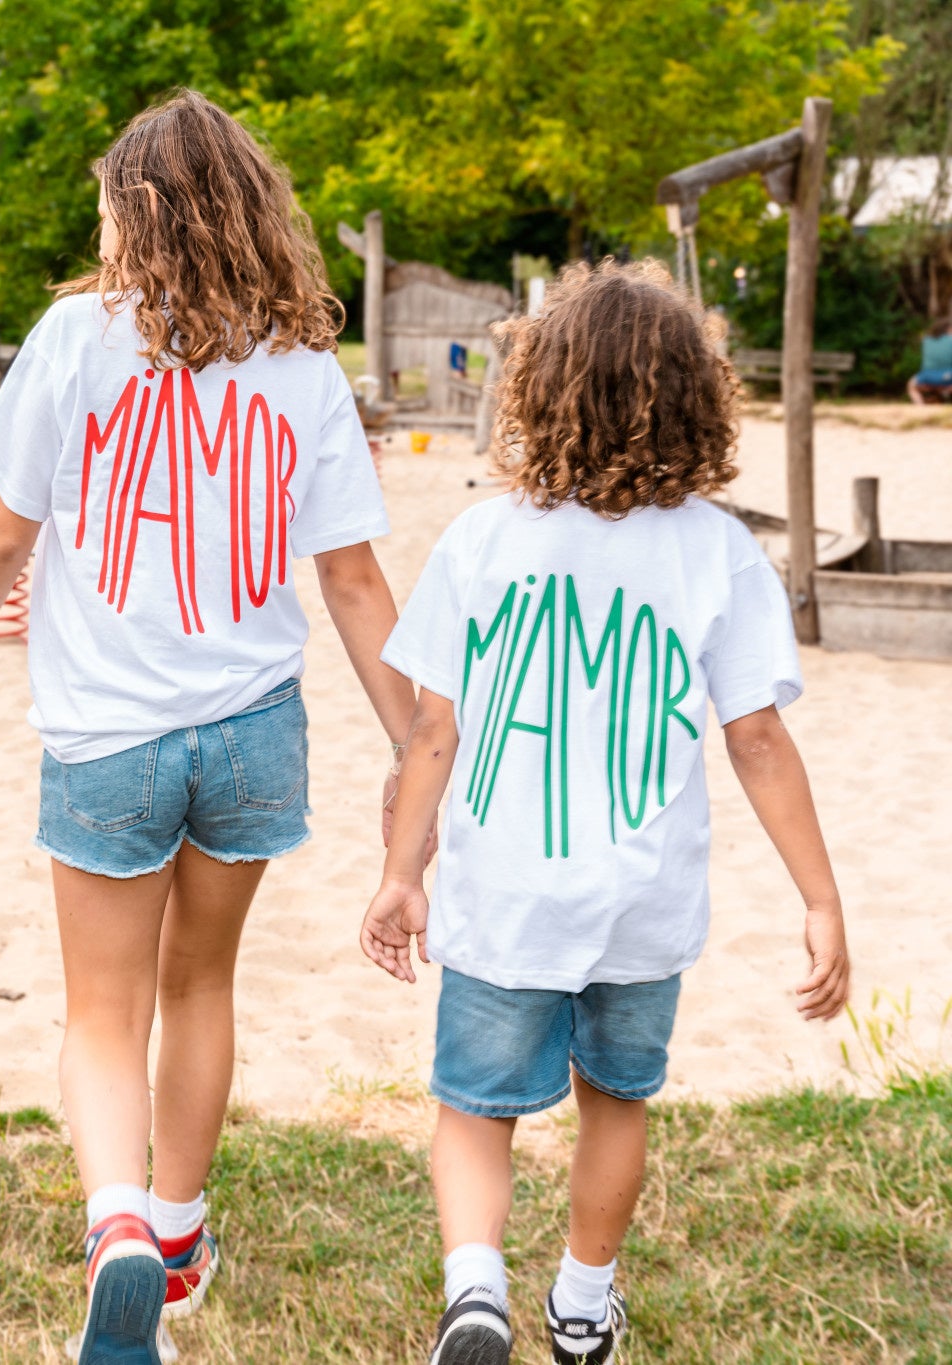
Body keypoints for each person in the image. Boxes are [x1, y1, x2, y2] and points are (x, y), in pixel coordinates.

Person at [0, 91, 416, 1365]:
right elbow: (351, 580)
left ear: (129, 214)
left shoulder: (72, 338)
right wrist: (416, 733)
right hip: (252, 731)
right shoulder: (300, 365)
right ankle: (180, 1239)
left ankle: (118, 1232)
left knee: (100, 1009)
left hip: (106, 742)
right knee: (200, 984)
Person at [359, 260, 851, 1365]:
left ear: (533, 397)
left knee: (474, 1110)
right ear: (696, 402)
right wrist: (818, 899)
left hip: (504, 901)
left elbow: (430, 732)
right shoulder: (717, 553)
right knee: (613, 1105)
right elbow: (758, 739)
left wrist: (401, 873)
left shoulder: (482, 543)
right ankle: (580, 1304)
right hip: (641, 903)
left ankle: (474, 1294)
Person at [908, 317, 952, 404]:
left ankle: (920, 407)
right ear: (948, 329)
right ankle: (943, 394)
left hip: (927, 376)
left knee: (911, 386)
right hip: (948, 376)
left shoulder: (926, 340)